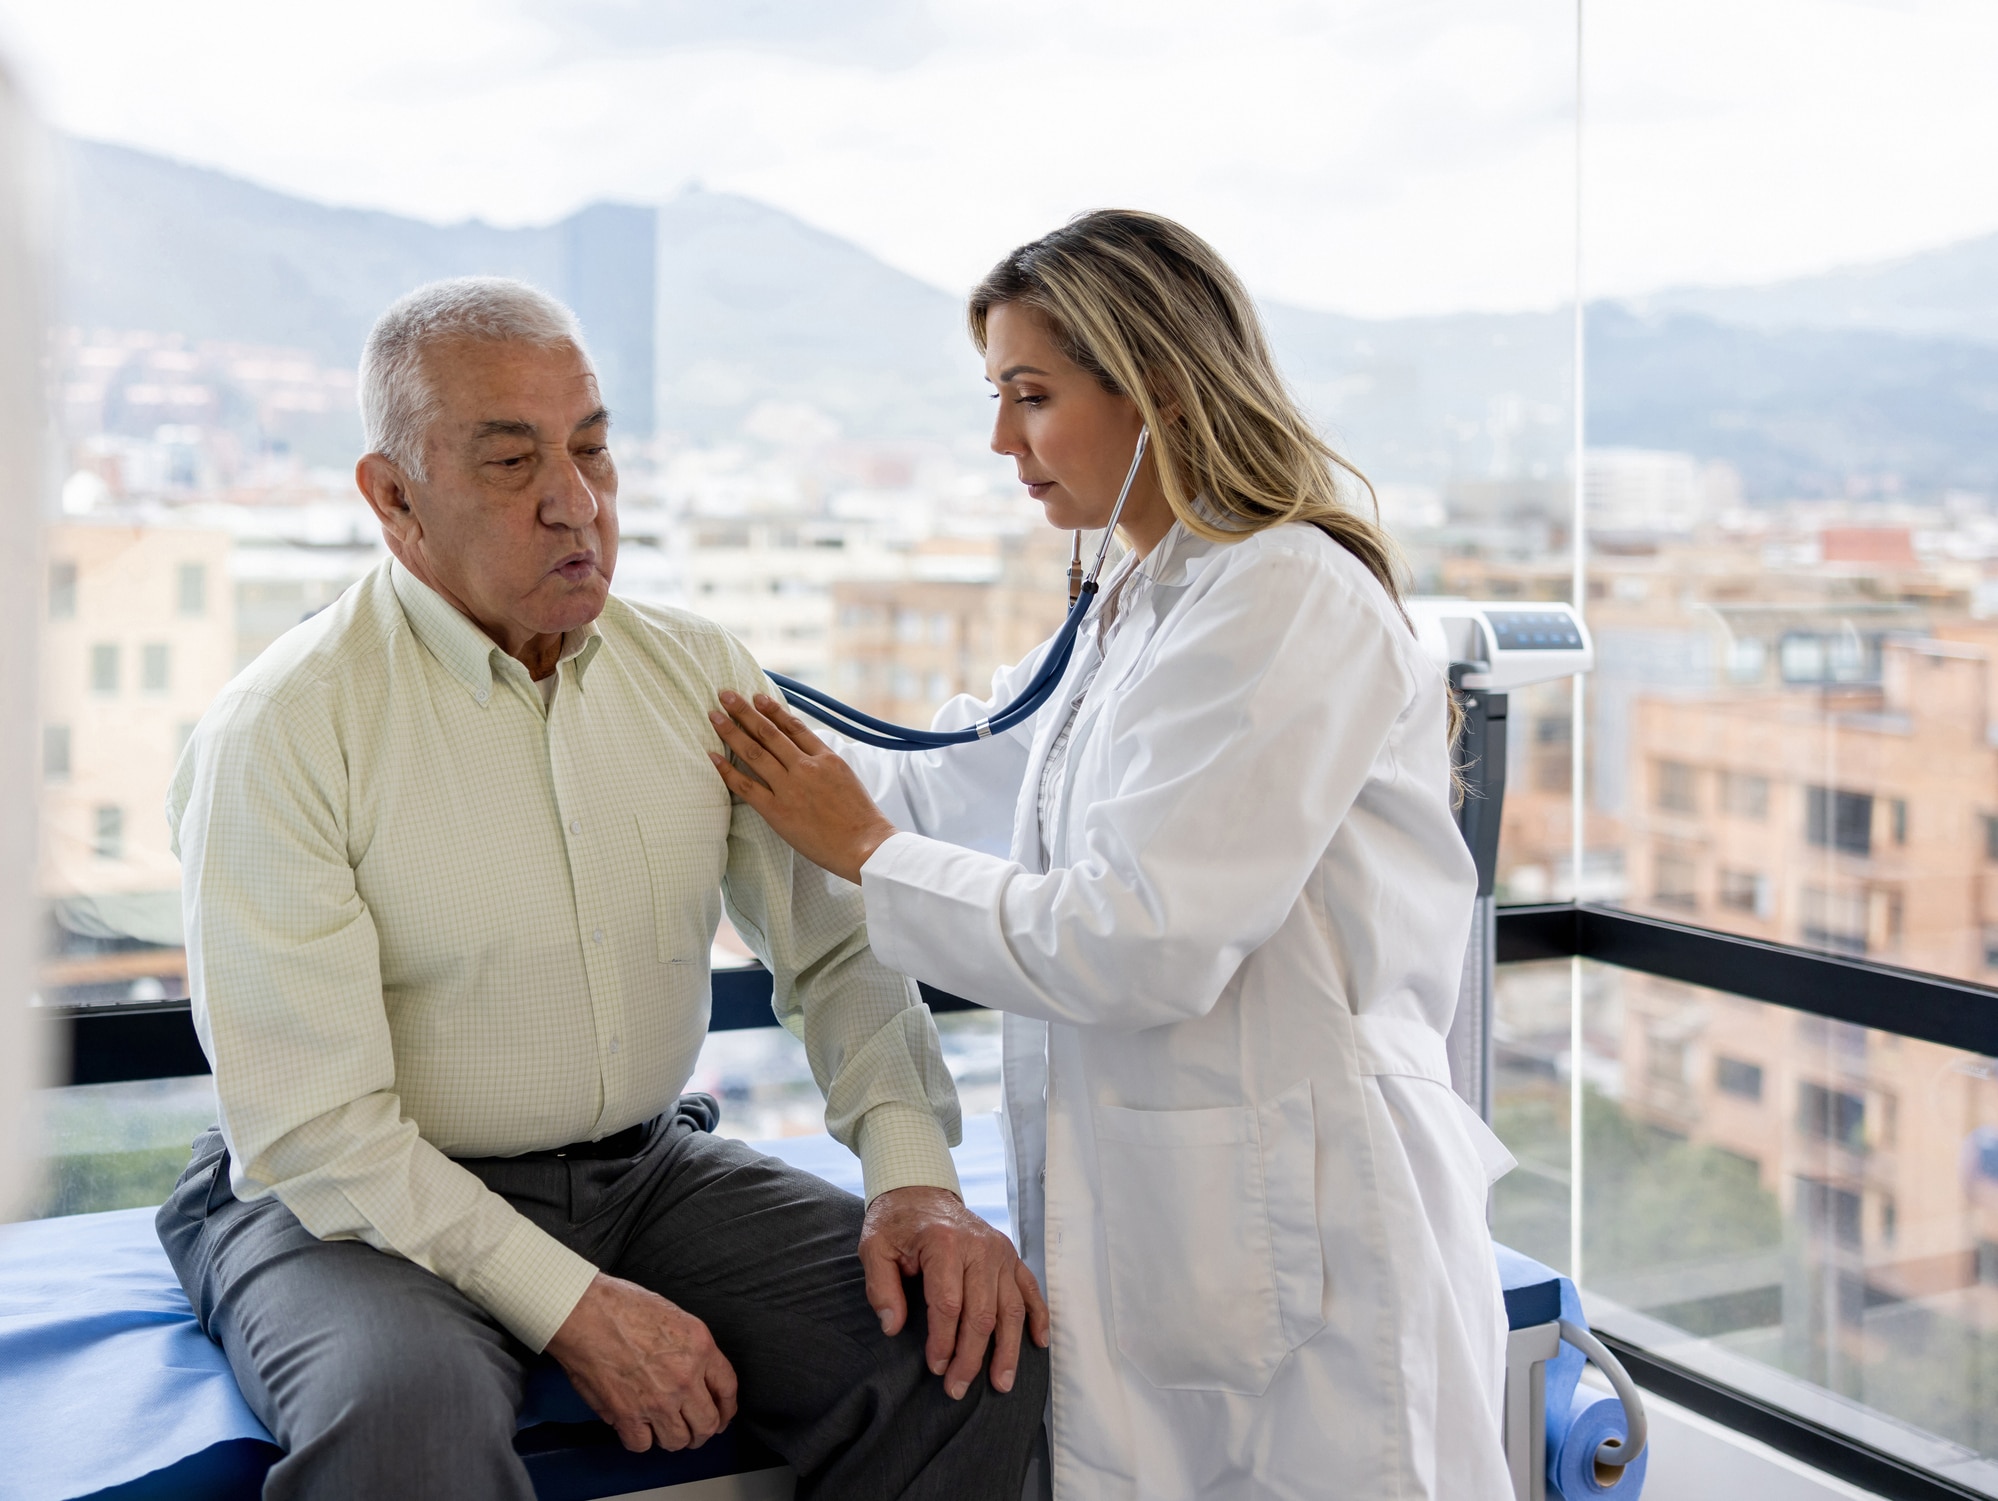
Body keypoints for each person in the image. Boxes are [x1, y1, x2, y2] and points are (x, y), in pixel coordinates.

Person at [157, 277, 1049, 1501]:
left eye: (592, 450)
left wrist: (914, 1178)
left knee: (964, 1354)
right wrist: (570, 1305)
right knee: (403, 1422)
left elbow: (836, 951)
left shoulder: (700, 674)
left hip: (643, 1174)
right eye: (513, 460)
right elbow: (312, 1128)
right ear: (393, 496)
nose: (575, 504)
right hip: (346, 1207)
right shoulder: (286, 727)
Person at [707, 212, 1517, 1498]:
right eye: (997, 397)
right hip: (1183, 1217)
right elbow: (943, 781)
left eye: (1032, 395)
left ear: (1159, 389)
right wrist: (687, 716)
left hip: (1312, 1225)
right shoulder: (1142, 598)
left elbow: (1144, 941)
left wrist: (861, 852)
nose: (1000, 441)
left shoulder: (1285, 593)